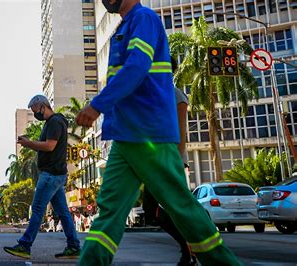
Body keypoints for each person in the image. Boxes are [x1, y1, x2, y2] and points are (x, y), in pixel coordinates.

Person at [75, 1, 242, 265]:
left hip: (146, 132)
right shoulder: (126, 25)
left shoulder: (144, 19)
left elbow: (137, 67)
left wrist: (97, 106)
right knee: (110, 212)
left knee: (180, 206)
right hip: (126, 134)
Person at [3, 95, 81, 259]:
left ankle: (24, 245)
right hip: (57, 175)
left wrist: (28, 143)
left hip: (51, 175)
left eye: (35, 111)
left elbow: (49, 146)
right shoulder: (55, 122)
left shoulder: (54, 122)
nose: (36, 114)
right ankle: (74, 246)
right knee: (63, 212)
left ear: (43, 106)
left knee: (38, 209)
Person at [142, 57, 197, 266]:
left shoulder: (176, 96)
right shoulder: (159, 96)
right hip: (157, 163)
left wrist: (173, 164)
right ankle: (188, 250)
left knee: (175, 210)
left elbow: (181, 136)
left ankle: (190, 251)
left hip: (171, 163)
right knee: (151, 209)